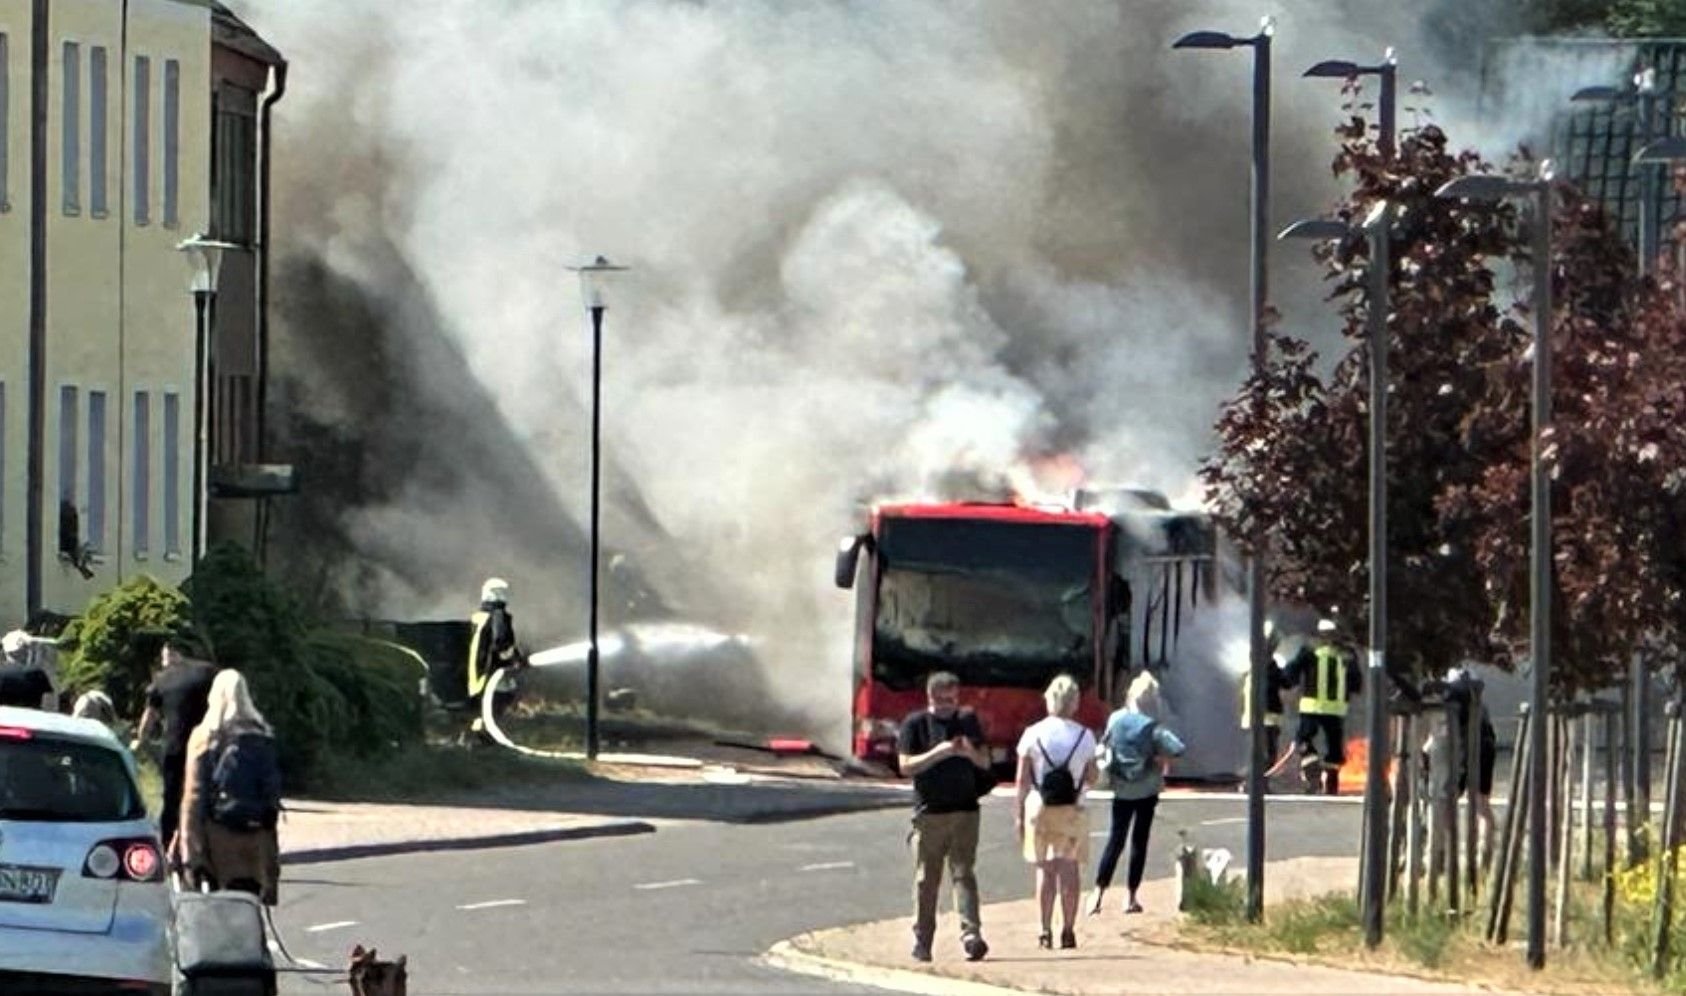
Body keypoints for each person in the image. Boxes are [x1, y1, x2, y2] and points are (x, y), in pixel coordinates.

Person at [896, 671, 991, 964]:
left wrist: (968, 753)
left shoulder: (967, 720)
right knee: (927, 879)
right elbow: (905, 766)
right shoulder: (916, 724)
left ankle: (971, 935)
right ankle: (923, 940)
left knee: (964, 873)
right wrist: (937, 753)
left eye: (953, 699)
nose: (949, 706)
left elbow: (986, 762)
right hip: (930, 813)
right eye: (942, 701)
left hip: (965, 810)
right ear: (930, 698)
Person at [174, 669, 282, 904]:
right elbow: (271, 799)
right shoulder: (262, 735)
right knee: (250, 910)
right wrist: (272, 867)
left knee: (221, 911)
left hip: (218, 838)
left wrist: (191, 851)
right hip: (256, 840)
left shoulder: (206, 736)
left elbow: (194, 797)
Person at [1090, 677, 1186, 916]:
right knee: (1139, 842)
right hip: (1147, 788)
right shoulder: (1152, 727)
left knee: (1115, 839)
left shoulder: (1116, 719)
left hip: (1121, 787)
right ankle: (1130, 896)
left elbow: (1104, 745)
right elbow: (1178, 748)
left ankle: (1098, 893)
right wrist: (1158, 759)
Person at [1015, 674, 1097, 951]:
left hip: (1040, 805)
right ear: (1075, 703)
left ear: (1049, 700)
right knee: (1069, 868)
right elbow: (1092, 776)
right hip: (1073, 807)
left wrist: (1018, 814)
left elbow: (1022, 779)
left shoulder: (1033, 734)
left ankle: (1044, 929)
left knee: (1045, 870)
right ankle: (1069, 930)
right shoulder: (1085, 736)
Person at [131, 639, 218, 850]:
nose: (163, 662)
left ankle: (167, 843)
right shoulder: (209, 672)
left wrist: (140, 741)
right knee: (206, 795)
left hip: (175, 746)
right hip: (207, 746)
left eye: (164, 657)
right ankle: (205, 843)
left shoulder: (162, 679)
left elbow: (149, 717)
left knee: (171, 798)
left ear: (173, 654)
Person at [1282, 619, 1362, 796]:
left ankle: (1313, 774)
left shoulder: (1309, 651)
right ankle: (1332, 783)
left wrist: (1281, 680)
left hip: (1311, 707)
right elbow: (1357, 684)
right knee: (1334, 748)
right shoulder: (1348, 655)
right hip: (1337, 710)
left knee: (1304, 741)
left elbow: (1290, 674)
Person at [467, 578, 525, 739]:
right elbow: (501, 642)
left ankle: (475, 733)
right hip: (493, 670)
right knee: (503, 696)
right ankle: (486, 735)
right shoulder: (498, 616)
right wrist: (514, 659)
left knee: (480, 704)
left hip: (476, 670)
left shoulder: (477, 617)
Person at [0, 631, 57, 710]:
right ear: (27, 650)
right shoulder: (37, 674)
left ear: (5, 651)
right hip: (30, 719)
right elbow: (49, 704)